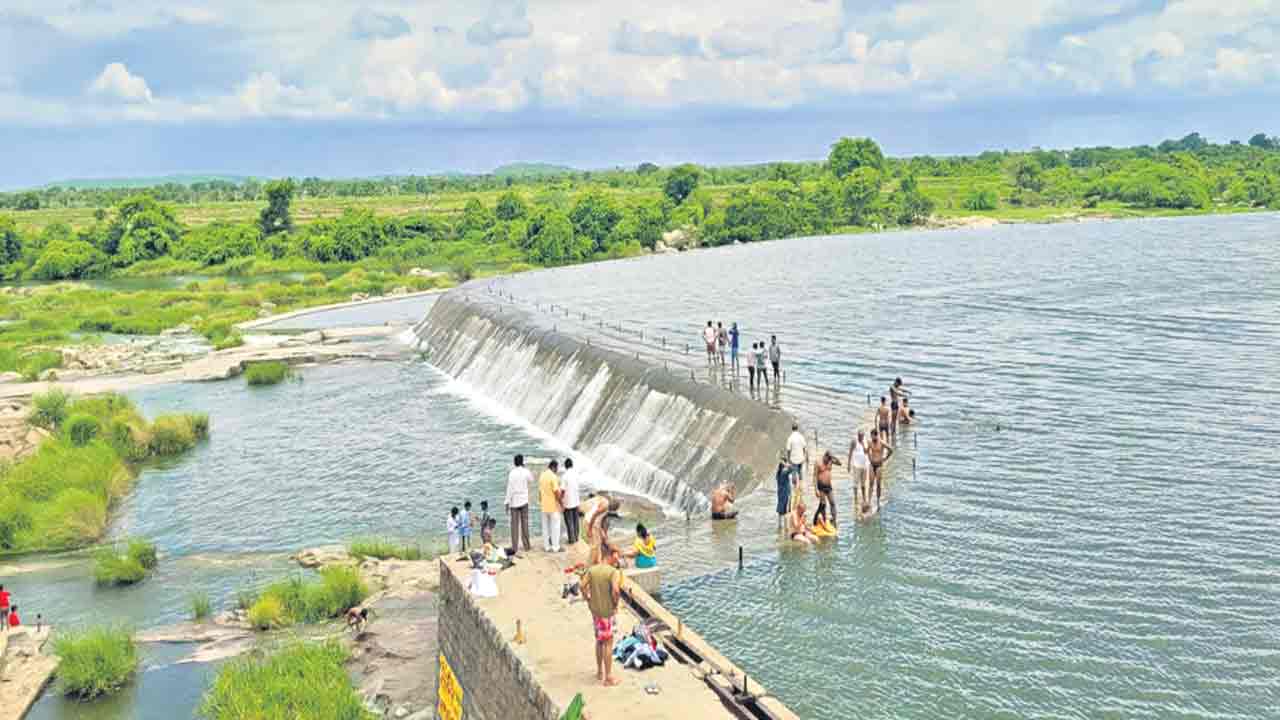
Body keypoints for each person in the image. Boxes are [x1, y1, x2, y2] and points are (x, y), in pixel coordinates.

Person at [580, 542, 623, 687]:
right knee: (608, 643)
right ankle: (609, 677)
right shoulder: (613, 572)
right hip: (607, 612)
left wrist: (588, 598)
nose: (618, 558)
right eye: (616, 554)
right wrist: (616, 604)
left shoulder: (592, 570)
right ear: (610, 554)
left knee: (599, 640)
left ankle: (599, 671)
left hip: (595, 611)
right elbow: (616, 591)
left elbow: (582, 585)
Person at [505, 454, 533, 554]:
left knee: (514, 526)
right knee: (525, 523)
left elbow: (509, 489)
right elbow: (531, 480)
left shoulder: (512, 473)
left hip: (514, 502)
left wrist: (507, 502)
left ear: (514, 462)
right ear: (522, 462)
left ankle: (515, 547)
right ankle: (527, 545)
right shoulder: (526, 471)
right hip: (524, 501)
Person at [582, 494, 622, 564]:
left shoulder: (605, 501)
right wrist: (589, 530)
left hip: (595, 523)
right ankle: (589, 565)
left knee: (598, 543)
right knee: (594, 546)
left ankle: (598, 562)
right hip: (589, 522)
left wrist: (601, 530)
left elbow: (599, 518)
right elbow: (594, 516)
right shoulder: (605, 507)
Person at [539, 459, 563, 552]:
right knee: (555, 527)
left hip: (544, 506)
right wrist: (561, 504)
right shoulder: (553, 477)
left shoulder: (542, 475)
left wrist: (541, 501)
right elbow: (557, 492)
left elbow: (540, 492)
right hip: (553, 506)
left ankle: (547, 547)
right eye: (557, 468)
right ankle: (555, 547)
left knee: (545, 527)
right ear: (554, 467)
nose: (557, 470)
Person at [866, 429, 894, 510]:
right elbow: (867, 451)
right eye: (871, 436)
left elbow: (891, 449)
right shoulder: (870, 442)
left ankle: (878, 501)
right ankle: (869, 501)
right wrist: (869, 458)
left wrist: (885, 458)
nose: (871, 437)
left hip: (879, 465)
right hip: (872, 465)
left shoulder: (881, 442)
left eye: (872, 436)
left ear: (876, 435)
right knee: (871, 483)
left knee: (878, 484)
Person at [814, 451, 841, 527]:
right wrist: (816, 489)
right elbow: (814, 476)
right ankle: (824, 520)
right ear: (824, 456)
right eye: (827, 459)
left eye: (829, 459)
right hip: (821, 486)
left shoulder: (831, 461)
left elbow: (840, 463)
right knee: (823, 504)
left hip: (829, 486)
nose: (827, 461)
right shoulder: (818, 462)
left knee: (832, 502)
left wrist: (833, 457)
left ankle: (834, 520)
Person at [847, 430, 869, 516]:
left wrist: (863, 444)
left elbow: (866, 452)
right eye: (860, 436)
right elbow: (850, 452)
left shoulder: (865, 441)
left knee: (863, 484)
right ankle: (856, 498)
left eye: (862, 436)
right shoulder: (854, 441)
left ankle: (864, 497)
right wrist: (848, 464)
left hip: (864, 465)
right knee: (855, 483)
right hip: (856, 465)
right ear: (858, 435)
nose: (861, 437)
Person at [560, 458, 582, 545]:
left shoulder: (564, 476)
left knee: (569, 521)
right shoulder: (576, 474)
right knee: (576, 520)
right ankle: (576, 537)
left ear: (565, 466)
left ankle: (571, 539)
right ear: (572, 465)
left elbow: (562, 490)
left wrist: (561, 500)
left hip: (568, 501)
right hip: (576, 500)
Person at [786, 423, 808, 493]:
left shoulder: (790, 438)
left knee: (794, 473)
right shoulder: (801, 437)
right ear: (797, 428)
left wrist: (788, 459)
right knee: (800, 472)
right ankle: (801, 486)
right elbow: (804, 447)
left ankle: (795, 488)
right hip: (801, 458)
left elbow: (788, 450)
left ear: (792, 429)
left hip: (793, 459)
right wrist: (804, 456)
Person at [775, 457, 792, 529]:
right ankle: (787, 527)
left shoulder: (778, 473)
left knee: (780, 511)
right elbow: (792, 468)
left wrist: (784, 464)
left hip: (780, 493)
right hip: (786, 493)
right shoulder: (784, 473)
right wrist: (786, 464)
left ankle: (779, 526)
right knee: (786, 511)